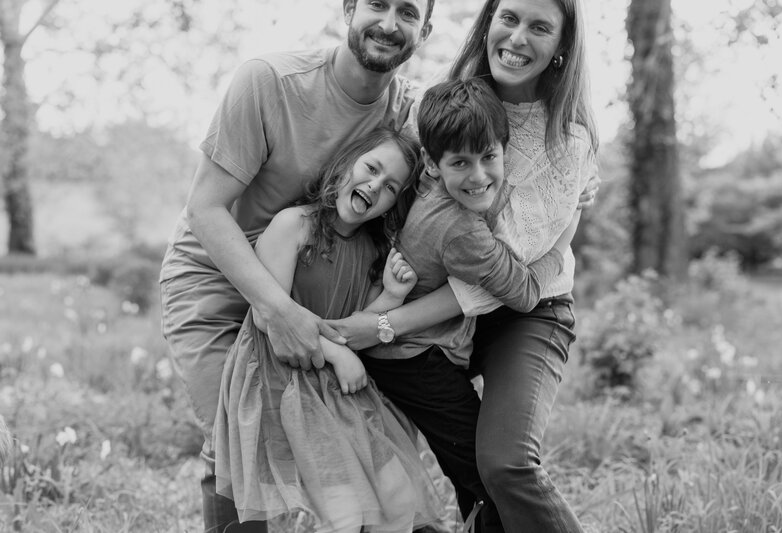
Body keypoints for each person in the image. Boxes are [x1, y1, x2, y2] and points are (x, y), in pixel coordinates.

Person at [159, 1, 434, 530]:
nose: (389, 22)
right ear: (349, 8)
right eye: (377, 3)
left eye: (408, 11)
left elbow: (473, 146)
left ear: (425, 29)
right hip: (218, 273)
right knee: (238, 437)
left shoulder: (407, 116)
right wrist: (276, 310)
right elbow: (205, 209)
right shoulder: (268, 83)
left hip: (321, 286)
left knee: (350, 439)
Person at [326, 0, 599, 531]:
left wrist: (381, 324)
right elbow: (396, 178)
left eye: (540, 27)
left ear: (563, 45)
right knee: (453, 464)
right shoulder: (451, 101)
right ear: (488, 22)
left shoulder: (567, 139)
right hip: (437, 314)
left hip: (527, 309)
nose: (518, 38)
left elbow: (508, 280)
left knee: (503, 463)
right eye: (509, 18)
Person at [359, 77, 580, 532]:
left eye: (489, 157)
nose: (479, 176)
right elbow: (521, 293)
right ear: (433, 164)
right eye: (461, 162)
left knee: (472, 473)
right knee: (481, 476)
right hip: (416, 360)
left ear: (505, 152)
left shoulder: (429, 186)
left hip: (418, 351)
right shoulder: (463, 232)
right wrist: (565, 229)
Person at [214, 127, 448, 532]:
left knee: (398, 497)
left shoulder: (371, 249)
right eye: (371, 168)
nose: (375, 186)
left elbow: (352, 329)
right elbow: (270, 318)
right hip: (284, 381)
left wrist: (390, 298)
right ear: (344, 165)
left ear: (393, 203)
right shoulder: (294, 226)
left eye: (390, 187)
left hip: (338, 389)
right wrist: (339, 354)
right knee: (343, 514)